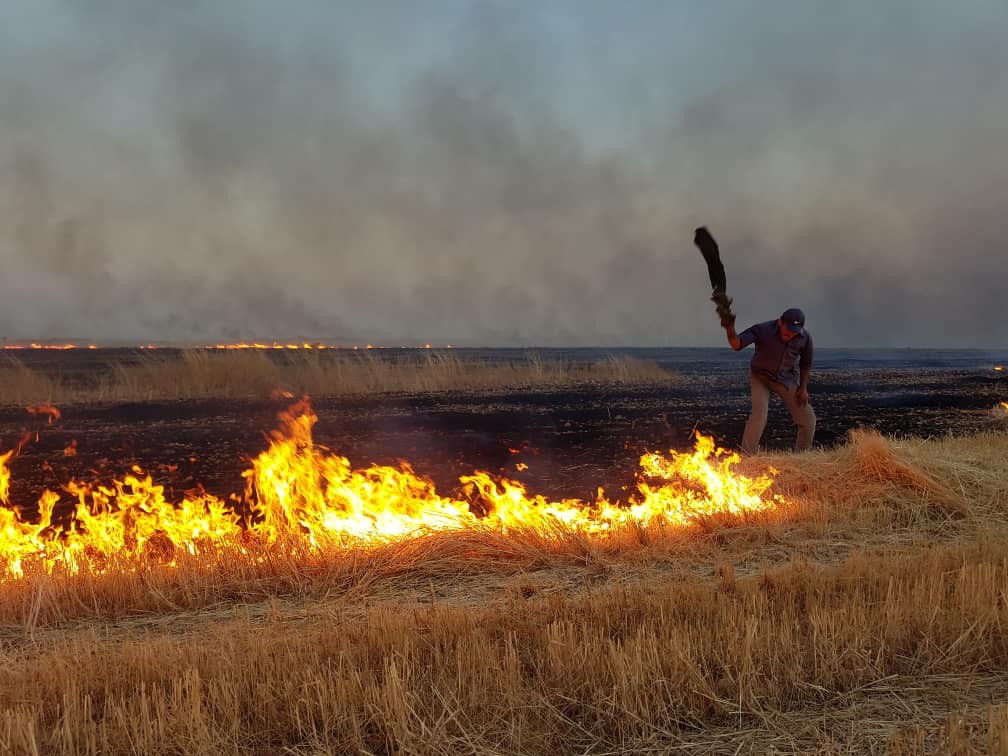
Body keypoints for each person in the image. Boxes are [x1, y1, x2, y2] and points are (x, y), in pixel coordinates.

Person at [725, 307, 816, 454]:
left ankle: (801, 458)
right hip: (760, 377)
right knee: (759, 416)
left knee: (808, 419)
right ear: (780, 322)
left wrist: (803, 388)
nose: (790, 335)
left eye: (794, 333)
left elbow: (805, 363)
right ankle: (747, 458)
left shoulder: (804, 337)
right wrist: (729, 328)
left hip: (785, 380)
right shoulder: (763, 329)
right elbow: (737, 344)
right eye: (788, 331)